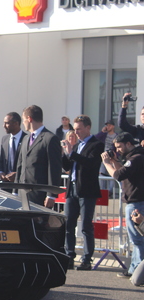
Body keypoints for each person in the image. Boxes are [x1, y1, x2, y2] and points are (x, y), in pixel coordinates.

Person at [61, 115, 103, 270]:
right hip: (72, 189)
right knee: (68, 225)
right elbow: (67, 166)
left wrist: (72, 153)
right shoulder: (77, 145)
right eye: (75, 128)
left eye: (79, 129)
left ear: (88, 128)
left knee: (85, 226)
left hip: (87, 191)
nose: (76, 132)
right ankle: (69, 256)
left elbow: (91, 164)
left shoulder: (96, 144)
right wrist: (65, 153)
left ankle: (86, 259)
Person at [101, 132, 144, 279]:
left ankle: (138, 271)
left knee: (138, 240)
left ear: (129, 144)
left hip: (137, 203)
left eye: (119, 147)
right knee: (136, 239)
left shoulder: (136, 158)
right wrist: (114, 161)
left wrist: (107, 163)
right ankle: (134, 268)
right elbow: (123, 172)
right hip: (135, 202)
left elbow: (118, 176)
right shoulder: (134, 157)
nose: (117, 150)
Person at [16, 105, 62, 207]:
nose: (23, 123)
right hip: (22, 194)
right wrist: (15, 190)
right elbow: (20, 166)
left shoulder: (50, 139)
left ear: (29, 119)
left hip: (40, 194)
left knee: (39, 223)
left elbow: (54, 169)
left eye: (24, 120)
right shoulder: (25, 139)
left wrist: (51, 195)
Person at [0, 112, 26, 183]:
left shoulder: (26, 139)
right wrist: (0, 172)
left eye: (7, 123)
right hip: (6, 184)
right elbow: (1, 159)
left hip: (20, 183)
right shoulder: (5, 139)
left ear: (16, 123)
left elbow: (27, 163)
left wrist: (17, 174)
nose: (4, 126)